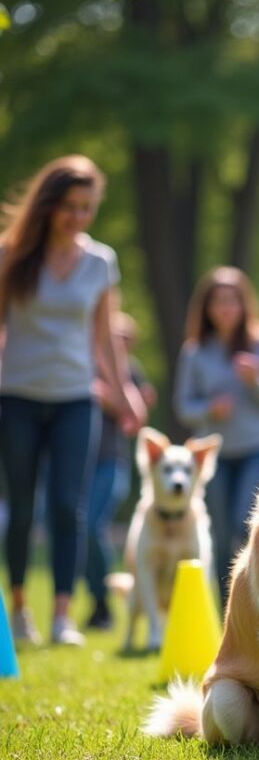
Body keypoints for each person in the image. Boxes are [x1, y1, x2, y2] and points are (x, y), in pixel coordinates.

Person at [0, 155, 146, 646]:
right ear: (48, 205)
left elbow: (104, 336)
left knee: (69, 506)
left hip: (74, 399)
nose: (78, 217)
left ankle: (63, 614)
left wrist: (123, 391)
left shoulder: (100, 261)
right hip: (17, 394)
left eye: (87, 208)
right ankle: (20, 607)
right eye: (69, 207)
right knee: (22, 506)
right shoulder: (13, 255)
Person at [174, 266, 259, 606]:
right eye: (217, 302)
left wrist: (257, 380)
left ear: (244, 305)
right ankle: (229, 612)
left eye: (232, 301)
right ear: (206, 308)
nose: (225, 308)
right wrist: (210, 409)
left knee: (247, 523)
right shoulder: (195, 351)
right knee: (221, 535)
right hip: (214, 455)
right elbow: (184, 406)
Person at [85, 311, 156, 630]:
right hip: (79, 462)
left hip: (113, 461)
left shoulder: (133, 373)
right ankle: (97, 602)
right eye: (116, 337)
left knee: (90, 524)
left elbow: (133, 422)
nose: (121, 344)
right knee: (80, 527)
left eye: (126, 339)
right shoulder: (83, 365)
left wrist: (109, 398)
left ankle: (102, 597)